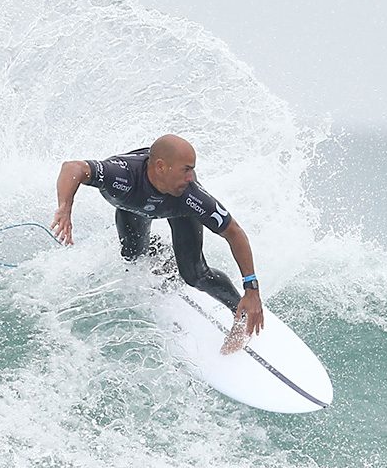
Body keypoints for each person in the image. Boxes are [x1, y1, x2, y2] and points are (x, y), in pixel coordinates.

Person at [50, 134, 264, 346]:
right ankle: (164, 260)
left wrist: (251, 288)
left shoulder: (191, 196)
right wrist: (65, 207)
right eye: (186, 169)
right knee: (133, 259)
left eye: (192, 169)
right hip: (133, 209)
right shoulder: (122, 174)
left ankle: (240, 313)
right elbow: (73, 168)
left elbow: (234, 232)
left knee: (194, 275)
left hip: (178, 212)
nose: (191, 177)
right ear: (161, 167)